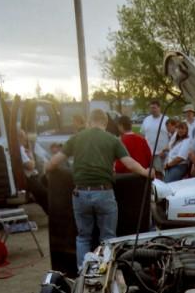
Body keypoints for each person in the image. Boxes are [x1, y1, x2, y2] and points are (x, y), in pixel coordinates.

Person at [46, 108, 154, 269]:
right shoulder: (112, 140)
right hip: (104, 193)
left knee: (83, 237)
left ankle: (83, 273)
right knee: (108, 238)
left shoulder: (76, 138)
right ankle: (105, 271)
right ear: (105, 123)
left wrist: (45, 169)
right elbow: (129, 163)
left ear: (89, 122)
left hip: (80, 194)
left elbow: (54, 162)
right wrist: (146, 172)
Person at [18, 128, 48, 211]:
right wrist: (31, 155)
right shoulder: (20, 149)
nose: (25, 139)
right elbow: (30, 166)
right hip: (31, 178)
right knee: (45, 196)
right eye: (23, 136)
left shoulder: (22, 149)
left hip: (34, 176)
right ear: (20, 138)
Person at [140, 99, 169, 175]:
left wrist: (166, 151)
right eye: (151, 108)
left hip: (161, 153)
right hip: (149, 153)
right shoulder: (146, 120)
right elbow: (142, 136)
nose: (153, 110)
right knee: (149, 174)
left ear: (159, 108)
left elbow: (172, 138)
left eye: (154, 108)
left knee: (160, 173)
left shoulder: (166, 120)